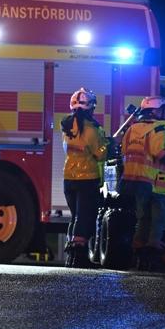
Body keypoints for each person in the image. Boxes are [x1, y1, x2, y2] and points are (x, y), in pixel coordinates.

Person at [121, 96, 165, 271]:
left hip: (135, 181)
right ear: (156, 110)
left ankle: (139, 258)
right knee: (159, 222)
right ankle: (154, 259)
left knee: (143, 220)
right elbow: (162, 154)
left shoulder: (132, 129)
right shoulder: (160, 129)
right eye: (164, 110)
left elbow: (124, 151)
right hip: (155, 182)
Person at [61, 88, 108, 268]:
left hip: (69, 178)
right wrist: (107, 144)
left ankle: (71, 256)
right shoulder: (91, 129)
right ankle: (80, 257)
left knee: (75, 217)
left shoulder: (67, 128)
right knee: (85, 217)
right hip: (87, 179)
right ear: (90, 108)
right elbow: (100, 154)